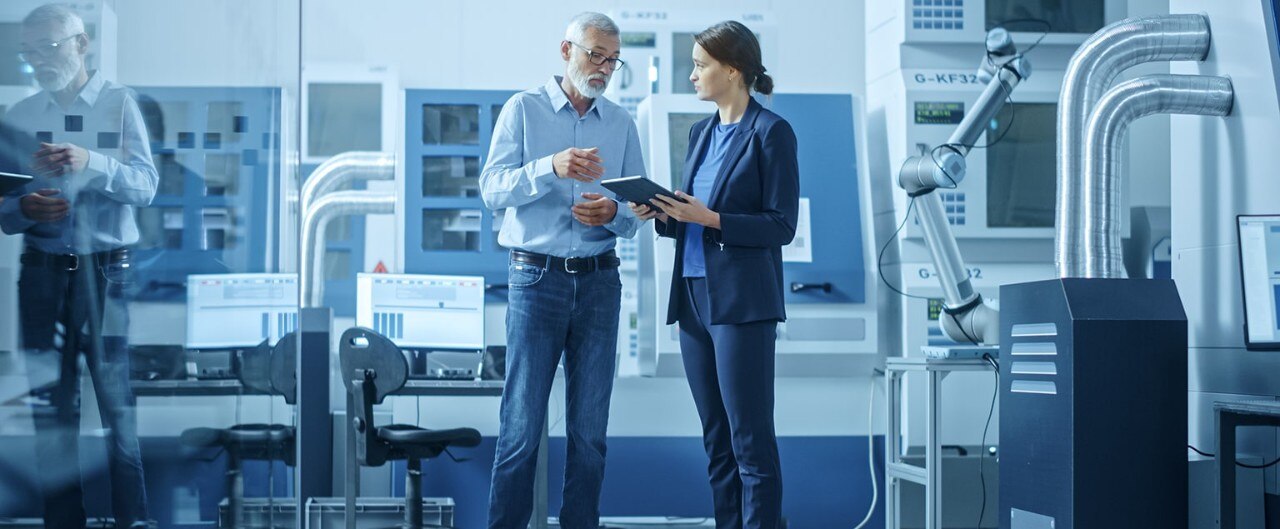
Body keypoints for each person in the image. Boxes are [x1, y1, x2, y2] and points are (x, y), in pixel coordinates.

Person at [629, 20, 798, 529]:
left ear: (733, 69)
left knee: (750, 441)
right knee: (716, 440)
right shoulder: (701, 133)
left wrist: (713, 219)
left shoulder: (771, 132)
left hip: (742, 304)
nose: (693, 74)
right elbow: (693, 220)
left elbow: (781, 225)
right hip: (693, 300)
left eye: (701, 65)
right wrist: (662, 214)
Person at [479, 11, 644, 529]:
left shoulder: (621, 124)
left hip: (600, 282)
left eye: (613, 61)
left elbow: (637, 211)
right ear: (566, 50)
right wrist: (549, 167)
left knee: (590, 434)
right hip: (536, 281)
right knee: (521, 429)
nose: (604, 68)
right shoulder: (523, 110)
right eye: (596, 55)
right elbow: (492, 189)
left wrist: (613, 212)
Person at [0, 4, 158, 528]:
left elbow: (146, 186)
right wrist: (24, 208)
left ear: (81, 44)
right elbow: (4, 207)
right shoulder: (19, 116)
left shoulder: (119, 103)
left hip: (106, 273)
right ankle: (62, 523)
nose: (38, 60)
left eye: (48, 47)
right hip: (41, 275)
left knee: (117, 408)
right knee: (51, 410)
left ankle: (133, 521)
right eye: (29, 52)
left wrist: (92, 161)